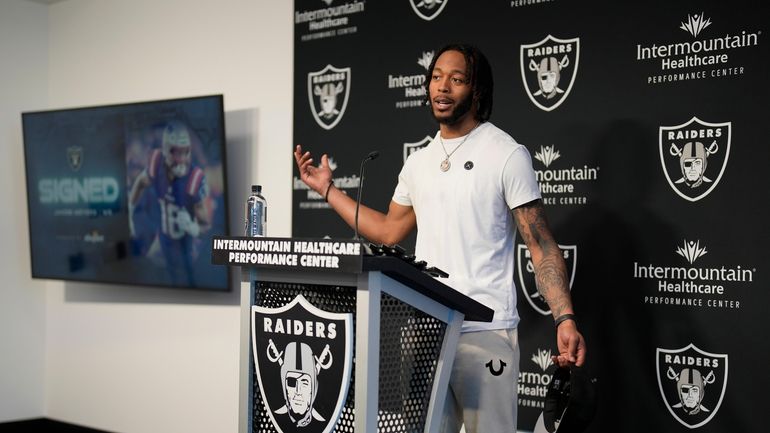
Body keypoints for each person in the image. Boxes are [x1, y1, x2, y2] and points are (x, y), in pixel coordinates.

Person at [294, 43, 586, 433]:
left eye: (456, 79)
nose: (442, 87)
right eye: (436, 77)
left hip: (486, 331)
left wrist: (564, 317)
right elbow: (388, 230)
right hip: (425, 331)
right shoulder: (419, 161)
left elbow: (540, 244)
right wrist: (329, 190)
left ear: (476, 90)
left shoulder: (506, 154)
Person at [129, 120, 211, 285]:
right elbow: (140, 183)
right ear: (165, 151)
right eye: (176, 152)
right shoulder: (156, 164)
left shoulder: (194, 179)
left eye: (185, 152)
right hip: (163, 239)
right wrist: (130, 209)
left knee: (188, 281)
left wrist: (192, 227)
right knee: (143, 271)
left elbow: (205, 227)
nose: (181, 159)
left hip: (187, 245)